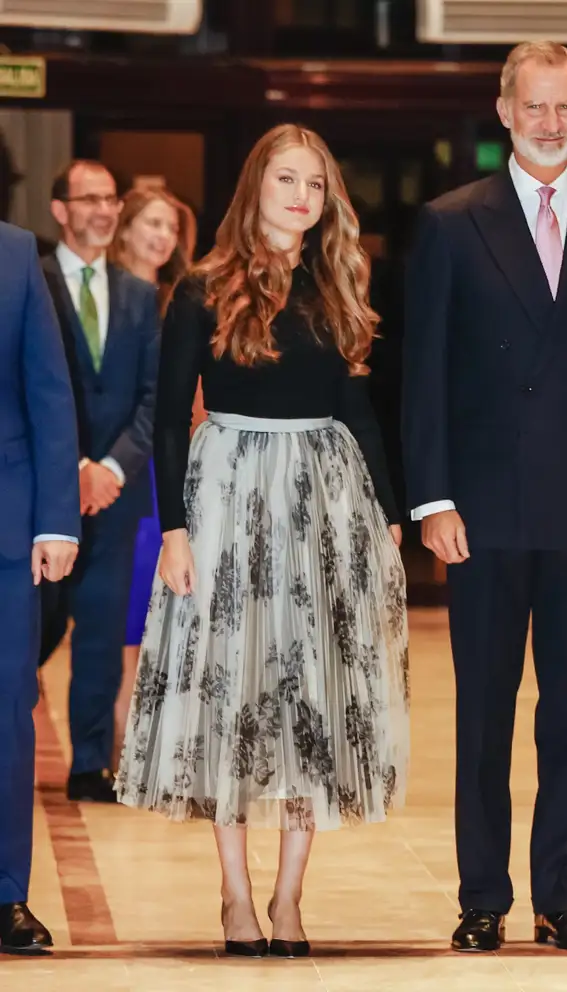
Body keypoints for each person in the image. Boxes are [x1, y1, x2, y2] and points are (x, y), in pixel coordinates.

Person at [114, 124, 410, 958]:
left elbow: (358, 410)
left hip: (321, 493)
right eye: (287, 180)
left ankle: (288, 898)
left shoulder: (341, 281)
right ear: (256, 186)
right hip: (228, 494)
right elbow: (172, 419)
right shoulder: (203, 287)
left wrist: (388, 510)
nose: (302, 197)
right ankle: (236, 896)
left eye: (315, 185)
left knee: (308, 689)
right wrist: (173, 527)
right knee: (234, 691)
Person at [403, 41, 567, 953]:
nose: (550, 123)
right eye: (534, 106)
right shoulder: (449, 223)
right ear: (504, 110)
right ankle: (483, 897)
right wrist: (431, 498)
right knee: (483, 717)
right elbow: (423, 373)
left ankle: (563, 896)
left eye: (566, 107)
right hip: (480, 513)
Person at [40, 160, 160, 802]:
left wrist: (110, 468)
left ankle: (89, 764)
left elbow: (153, 395)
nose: (104, 210)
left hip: (119, 493)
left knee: (102, 631)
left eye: (111, 198)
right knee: (33, 628)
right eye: (89, 199)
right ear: (59, 210)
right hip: (45, 490)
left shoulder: (138, 295)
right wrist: (74, 468)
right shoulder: (30, 283)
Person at [0, 221, 80, 954]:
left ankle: (5, 895)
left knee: (6, 712)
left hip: (6, 524)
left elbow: (50, 393)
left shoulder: (18, 254)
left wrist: (58, 520)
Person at [109, 185, 198, 770]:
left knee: (154, 623)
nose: (163, 237)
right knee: (120, 628)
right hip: (117, 474)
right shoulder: (105, 296)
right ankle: (117, 747)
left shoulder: (179, 301)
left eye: (171, 227)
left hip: (166, 475)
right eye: (152, 223)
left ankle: (148, 753)